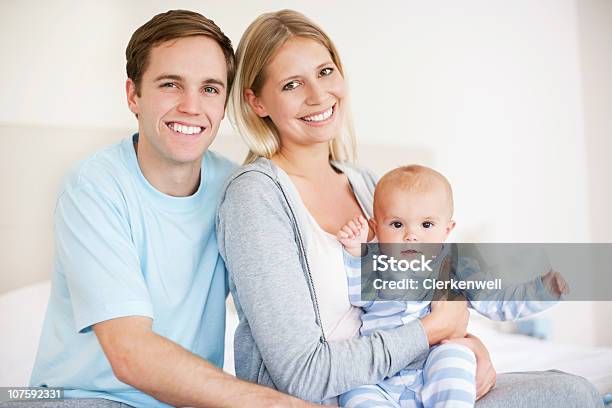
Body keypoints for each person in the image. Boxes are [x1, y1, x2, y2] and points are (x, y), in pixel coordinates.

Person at [216, 8, 603, 407]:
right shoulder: (255, 197)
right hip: (337, 398)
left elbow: (428, 298)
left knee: (572, 392)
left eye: (326, 72)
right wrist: (433, 329)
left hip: (411, 383)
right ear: (256, 101)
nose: (318, 95)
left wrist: (469, 345)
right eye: (292, 84)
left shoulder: (369, 185)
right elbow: (303, 375)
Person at [26, 10, 314, 408]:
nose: (192, 106)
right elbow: (130, 355)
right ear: (133, 95)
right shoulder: (93, 186)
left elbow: (304, 309)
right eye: (170, 85)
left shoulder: (244, 190)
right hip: (79, 397)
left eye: (210, 89)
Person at [336, 165, 568, 407]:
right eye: (397, 225)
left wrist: (543, 291)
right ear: (375, 228)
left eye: (426, 225)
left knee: (456, 356)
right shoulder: (375, 263)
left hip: (433, 364)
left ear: (447, 230)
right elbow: (359, 296)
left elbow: (497, 302)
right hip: (381, 377)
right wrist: (355, 251)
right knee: (354, 393)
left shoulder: (457, 265)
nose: (411, 236)